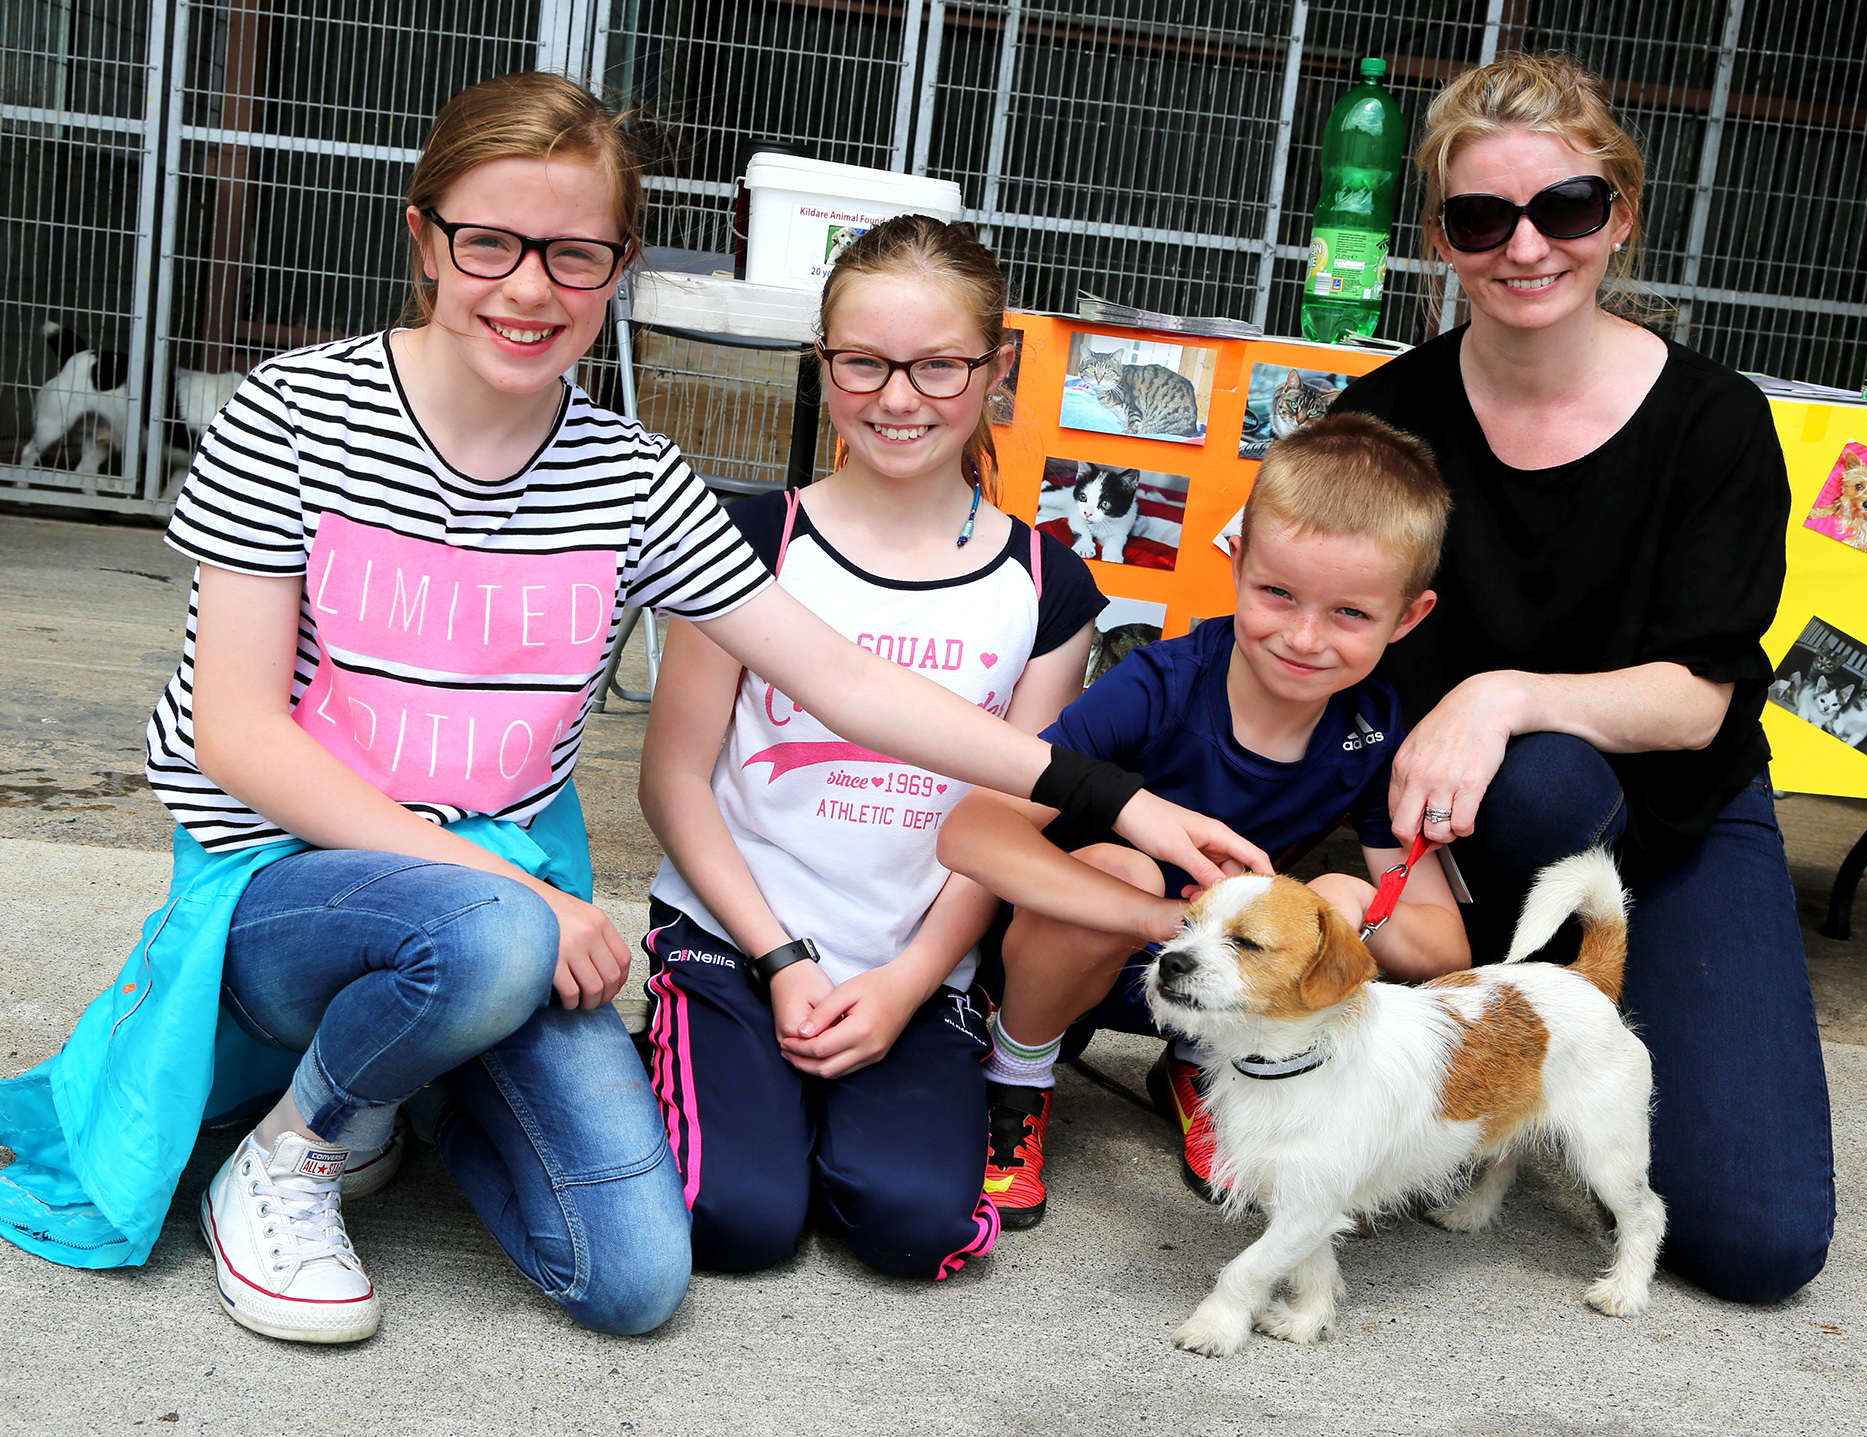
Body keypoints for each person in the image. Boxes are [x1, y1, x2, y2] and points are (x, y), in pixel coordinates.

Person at [0, 75, 1266, 1345]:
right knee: (484, 932)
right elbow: (239, 736)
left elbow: (850, 685)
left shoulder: (629, 474)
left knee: (634, 1278)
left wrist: (1126, 803)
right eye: (488, 241)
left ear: (619, 268)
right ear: (423, 236)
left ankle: (420, 1079)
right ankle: (293, 1149)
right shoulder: (289, 413)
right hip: (295, 886)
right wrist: (530, 902)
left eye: (575, 253)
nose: (528, 287)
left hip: (504, 907)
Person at [1328, 51, 1835, 1303]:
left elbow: (1698, 699)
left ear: (1621, 215)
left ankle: (1557, 1048)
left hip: (1678, 819)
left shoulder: (1713, 423)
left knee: (1757, 1246)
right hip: (1455, 835)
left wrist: (1496, 691)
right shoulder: (1379, 423)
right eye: (1480, 218)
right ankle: (1510, 1052)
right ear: (1439, 239)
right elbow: (1316, 660)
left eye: (1566, 208)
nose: (1526, 248)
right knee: (1540, 788)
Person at [636, 216, 1104, 1279]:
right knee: (736, 1223)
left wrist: (908, 984)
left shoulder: (1048, 585)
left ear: (1000, 370)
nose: (899, 398)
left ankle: (825, 1098)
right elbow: (673, 780)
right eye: (864, 363)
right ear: (823, 365)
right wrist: (780, 959)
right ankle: (698, 1059)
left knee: (912, 1225)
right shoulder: (749, 541)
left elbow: (1006, 829)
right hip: (737, 944)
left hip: (913, 968)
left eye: (939, 365)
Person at [939, 413, 1470, 1228]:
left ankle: (1203, 1064)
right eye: (1278, 593)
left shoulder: (1373, 728)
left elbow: (1444, 948)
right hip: (1073, 960)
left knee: (1322, 897)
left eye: (1350, 614)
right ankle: (1015, 1078)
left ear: (1409, 616)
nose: (1303, 635)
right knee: (1127, 867)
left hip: (1219, 985)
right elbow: (970, 832)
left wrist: (1351, 909)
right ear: (1236, 562)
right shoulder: (1157, 684)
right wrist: (1160, 915)